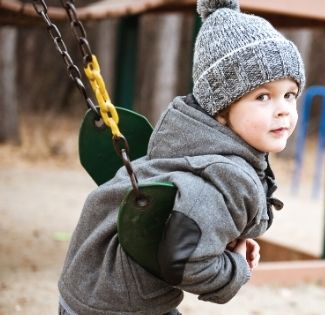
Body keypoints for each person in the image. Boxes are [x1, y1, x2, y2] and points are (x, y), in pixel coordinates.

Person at [57, 0, 305, 313]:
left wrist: (224, 244)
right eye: (263, 96)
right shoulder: (226, 177)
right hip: (121, 307)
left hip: (87, 290)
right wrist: (236, 268)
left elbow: (182, 223)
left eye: (289, 95)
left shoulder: (185, 148)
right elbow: (187, 262)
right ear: (221, 110)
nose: (283, 108)